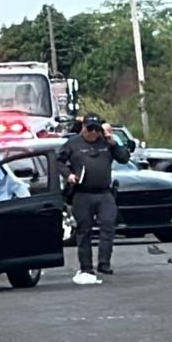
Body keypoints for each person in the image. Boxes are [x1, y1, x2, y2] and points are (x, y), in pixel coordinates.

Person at [57, 114, 130, 284]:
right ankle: (86, 266)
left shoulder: (106, 143)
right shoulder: (73, 143)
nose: (93, 133)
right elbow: (58, 161)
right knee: (84, 230)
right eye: (90, 129)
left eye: (96, 129)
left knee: (108, 226)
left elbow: (124, 158)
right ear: (83, 128)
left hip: (104, 193)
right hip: (82, 193)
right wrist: (68, 175)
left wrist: (114, 143)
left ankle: (104, 263)